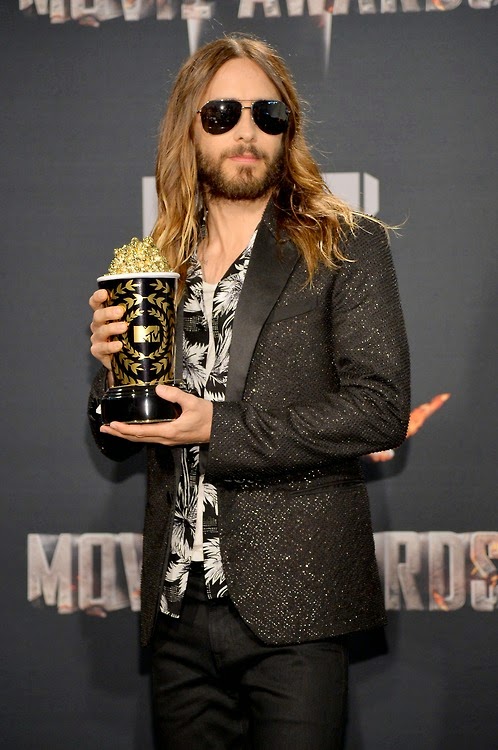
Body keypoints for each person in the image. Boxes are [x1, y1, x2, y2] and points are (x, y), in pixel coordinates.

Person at [88, 34, 410, 750]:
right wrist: (115, 377)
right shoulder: (156, 263)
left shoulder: (344, 244)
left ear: (288, 129)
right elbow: (118, 441)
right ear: (189, 127)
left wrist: (216, 426)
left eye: (267, 114)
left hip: (296, 610)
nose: (246, 131)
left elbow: (381, 408)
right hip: (177, 611)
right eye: (222, 113)